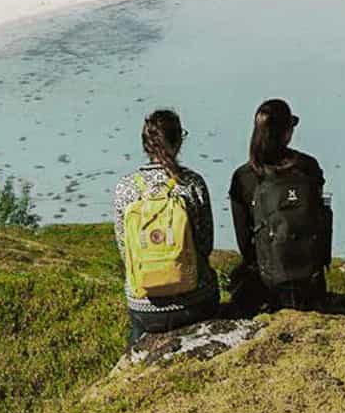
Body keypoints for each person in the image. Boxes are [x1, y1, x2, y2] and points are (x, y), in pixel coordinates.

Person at [111, 108, 219, 347]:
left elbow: (125, 252)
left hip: (144, 306)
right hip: (194, 301)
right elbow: (205, 245)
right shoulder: (192, 183)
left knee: (137, 332)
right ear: (179, 140)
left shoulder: (125, 188)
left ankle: (136, 354)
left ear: (145, 144)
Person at [228, 97, 332, 312]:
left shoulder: (244, 176)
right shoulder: (309, 167)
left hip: (267, 288)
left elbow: (245, 244)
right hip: (311, 286)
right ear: (287, 133)